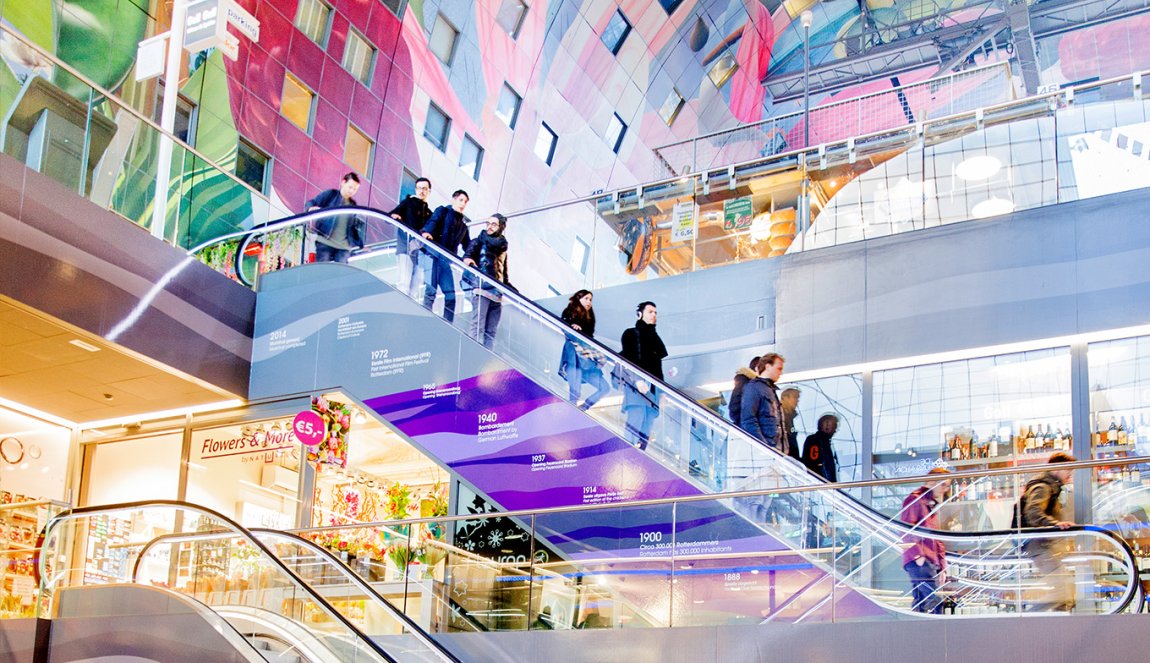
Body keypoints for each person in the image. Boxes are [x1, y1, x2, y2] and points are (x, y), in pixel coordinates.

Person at [1016, 452, 1077, 611]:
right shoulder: (1043, 487)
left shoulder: (1050, 488)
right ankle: (1027, 621)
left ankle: (1058, 627)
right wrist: (1056, 524)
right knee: (1062, 591)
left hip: (1043, 547)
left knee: (1066, 592)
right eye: (1068, 470)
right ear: (1056, 469)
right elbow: (1033, 512)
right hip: (1039, 547)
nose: (1070, 474)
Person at [899, 467, 952, 614]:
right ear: (931, 481)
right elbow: (905, 530)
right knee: (934, 602)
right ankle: (939, 635)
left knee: (921, 603)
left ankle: (919, 634)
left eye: (947, 486)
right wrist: (918, 556)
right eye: (943, 485)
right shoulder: (915, 500)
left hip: (928, 561)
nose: (945, 489)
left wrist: (942, 566)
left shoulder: (929, 504)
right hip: (920, 561)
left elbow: (936, 538)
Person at [619, 301, 667, 451]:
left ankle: (639, 454)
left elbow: (658, 367)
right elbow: (627, 359)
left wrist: (662, 392)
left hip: (653, 388)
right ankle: (627, 453)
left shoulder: (654, 338)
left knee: (648, 423)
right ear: (640, 314)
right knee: (636, 419)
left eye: (655, 312)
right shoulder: (631, 333)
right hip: (636, 385)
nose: (654, 315)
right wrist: (637, 380)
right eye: (650, 312)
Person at [420, 190, 470, 322]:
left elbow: (468, 247)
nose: (463, 204)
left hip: (445, 261)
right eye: (461, 200)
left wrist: (472, 258)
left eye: (465, 202)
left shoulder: (463, 226)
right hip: (433, 255)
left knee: (451, 296)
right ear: (453, 199)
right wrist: (427, 232)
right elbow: (433, 222)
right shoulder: (442, 211)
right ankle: (424, 319)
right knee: (431, 291)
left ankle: (447, 324)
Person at [462, 213, 511, 349]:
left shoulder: (502, 248)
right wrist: (470, 262)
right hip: (482, 288)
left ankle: (486, 355)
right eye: (488, 223)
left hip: (497, 293)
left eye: (493, 224)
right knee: (478, 325)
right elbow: (467, 257)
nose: (489, 227)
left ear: (501, 227)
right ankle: (474, 351)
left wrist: (512, 291)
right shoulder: (479, 241)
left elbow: (503, 272)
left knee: (491, 330)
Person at [559, 290, 611, 411]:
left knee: (605, 388)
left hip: (588, 359)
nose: (589, 302)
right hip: (574, 355)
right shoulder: (569, 312)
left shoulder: (590, 317)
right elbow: (566, 329)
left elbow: (590, 337)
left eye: (590, 299)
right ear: (579, 298)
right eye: (586, 298)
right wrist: (573, 327)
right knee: (575, 392)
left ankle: (583, 408)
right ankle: (572, 413)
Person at [305, 172, 365, 264]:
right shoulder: (331, 195)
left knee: (340, 275)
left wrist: (361, 245)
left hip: (343, 247)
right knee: (322, 271)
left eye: (355, 189)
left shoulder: (353, 205)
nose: (352, 191)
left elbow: (352, 229)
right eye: (350, 187)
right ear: (343, 182)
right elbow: (311, 203)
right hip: (325, 241)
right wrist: (310, 208)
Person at [388, 177, 432, 296]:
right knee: (404, 283)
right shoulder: (408, 203)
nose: (421, 191)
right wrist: (395, 216)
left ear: (429, 191)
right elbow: (391, 215)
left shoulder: (429, 213)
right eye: (419, 188)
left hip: (420, 253)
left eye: (424, 188)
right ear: (415, 189)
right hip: (405, 248)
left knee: (415, 288)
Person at [740, 354, 786, 454]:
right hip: (768, 451)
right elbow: (748, 420)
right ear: (768, 366)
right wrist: (764, 448)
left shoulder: (770, 389)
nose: (781, 373)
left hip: (775, 451)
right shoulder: (754, 388)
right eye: (778, 368)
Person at [801, 414, 840, 482]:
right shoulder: (814, 439)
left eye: (831, 425)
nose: (828, 426)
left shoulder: (828, 445)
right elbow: (813, 463)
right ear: (821, 424)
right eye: (826, 422)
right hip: (818, 482)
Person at [728, 355, 759, 429]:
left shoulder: (756, 385)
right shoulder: (746, 382)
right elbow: (734, 407)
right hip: (746, 427)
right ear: (757, 368)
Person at [780, 387, 802, 461]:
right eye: (795, 397)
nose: (797, 401)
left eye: (798, 398)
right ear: (785, 398)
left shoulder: (790, 417)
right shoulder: (779, 416)